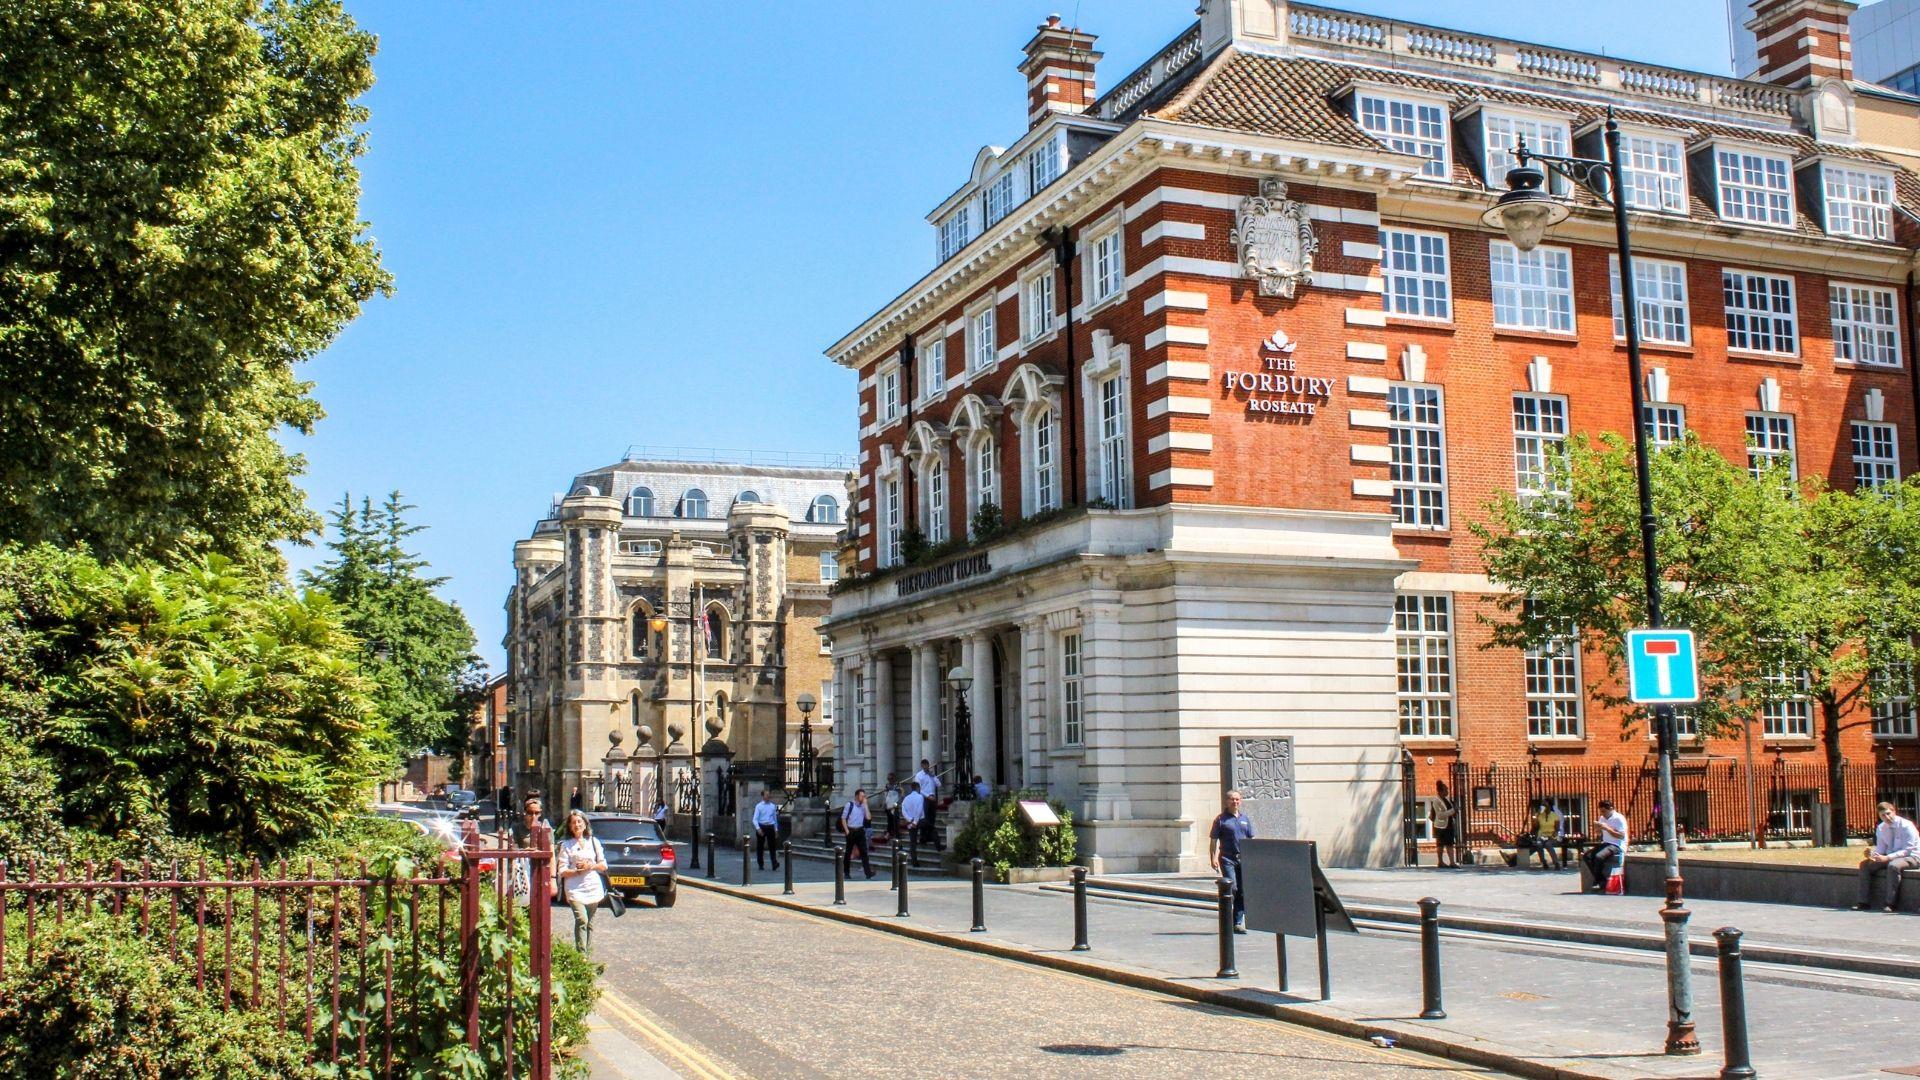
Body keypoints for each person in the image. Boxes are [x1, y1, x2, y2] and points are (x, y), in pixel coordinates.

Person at [555, 810, 607, 955]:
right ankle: (581, 954)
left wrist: (591, 866)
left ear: (585, 824)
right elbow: (562, 870)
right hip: (574, 889)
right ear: (570, 827)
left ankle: (587, 954)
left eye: (579, 822)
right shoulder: (566, 845)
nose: (577, 825)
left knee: (589, 923)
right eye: (573, 822)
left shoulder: (594, 842)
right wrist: (578, 871)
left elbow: (603, 866)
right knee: (582, 920)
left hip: (592, 887)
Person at [1854, 801, 1920, 912]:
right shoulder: (1881, 828)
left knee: (1893, 866)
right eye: (1883, 815)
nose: (1887, 817)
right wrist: (1872, 855)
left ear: (1894, 811)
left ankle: (1890, 904)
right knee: (1865, 865)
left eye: (1888, 813)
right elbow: (1881, 849)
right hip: (1890, 856)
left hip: (1912, 856)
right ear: (1879, 816)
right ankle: (1863, 902)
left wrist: (1888, 858)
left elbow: (1908, 850)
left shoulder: (1906, 825)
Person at [1208, 790, 1255, 933]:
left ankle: (1237, 922)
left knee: (1242, 891)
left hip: (1243, 858)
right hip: (1227, 858)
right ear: (1227, 801)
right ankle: (1227, 916)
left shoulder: (1245, 819)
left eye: (1237, 799)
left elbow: (1251, 840)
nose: (1235, 802)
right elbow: (1213, 840)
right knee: (1232, 887)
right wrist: (1213, 857)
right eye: (1232, 799)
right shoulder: (1221, 819)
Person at [1583, 800, 1630, 891]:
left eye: (1604, 811)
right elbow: (1600, 834)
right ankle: (1600, 880)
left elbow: (1621, 836)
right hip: (1606, 843)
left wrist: (1607, 828)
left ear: (1611, 809)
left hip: (1617, 844)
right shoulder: (1602, 818)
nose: (1602, 814)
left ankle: (1598, 881)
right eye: (1601, 811)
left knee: (1599, 857)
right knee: (1587, 856)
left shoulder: (1619, 818)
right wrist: (1597, 829)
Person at [841, 788, 876, 878]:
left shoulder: (863, 806)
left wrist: (866, 805)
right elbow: (843, 818)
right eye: (861, 796)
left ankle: (868, 873)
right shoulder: (849, 805)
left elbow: (868, 818)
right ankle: (846, 873)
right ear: (857, 796)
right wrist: (847, 831)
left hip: (860, 830)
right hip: (851, 830)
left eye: (864, 796)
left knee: (864, 852)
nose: (863, 798)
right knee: (848, 852)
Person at [1517, 801, 1561, 870]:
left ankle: (1556, 863)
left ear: (1549, 806)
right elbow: (1535, 826)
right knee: (1538, 844)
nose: (1544, 807)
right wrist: (1537, 816)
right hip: (1541, 836)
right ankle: (1544, 862)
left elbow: (1557, 829)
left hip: (1551, 836)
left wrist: (1552, 836)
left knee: (1548, 845)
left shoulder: (1554, 816)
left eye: (1545, 806)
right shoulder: (1540, 815)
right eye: (1543, 806)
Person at [1431, 781, 1459, 868]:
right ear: (1440, 791)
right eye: (1446, 789)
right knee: (1441, 844)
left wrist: (1454, 811)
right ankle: (1441, 862)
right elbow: (1440, 815)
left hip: (1448, 825)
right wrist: (1453, 810)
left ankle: (1451, 862)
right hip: (1441, 826)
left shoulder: (1447, 800)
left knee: (1449, 843)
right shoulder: (1437, 801)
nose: (1447, 791)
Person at [752, 790, 781, 870]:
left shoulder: (772, 806)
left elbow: (775, 819)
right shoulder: (759, 806)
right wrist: (758, 828)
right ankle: (760, 864)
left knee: (772, 846)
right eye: (766, 795)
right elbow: (755, 819)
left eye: (769, 794)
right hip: (762, 826)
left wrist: (776, 829)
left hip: (770, 826)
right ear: (763, 796)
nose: (768, 796)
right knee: (760, 846)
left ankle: (774, 863)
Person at [900, 780, 926, 849]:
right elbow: (919, 810)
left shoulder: (906, 798)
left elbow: (903, 810)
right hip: (919, 821)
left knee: (913, 841)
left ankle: (914, 859)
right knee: (929, 828)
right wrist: (915, 822)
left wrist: (910, 819)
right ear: (918, 788)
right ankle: (923, 839)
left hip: (910, 822)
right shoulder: (920, 797)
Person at [879, 774, 901, 845]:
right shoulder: (887, 786)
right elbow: (886, 795)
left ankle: (896, 835)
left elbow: (900, 794)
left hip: (894, 806)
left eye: (891, 778)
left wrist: (898, 803)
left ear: (893, 778)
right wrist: (884, 804)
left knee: (895, 820)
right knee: (890, 821)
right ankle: (889, 833)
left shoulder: (897, 785)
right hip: (888, 806)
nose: (889, 780)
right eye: (888, 779)